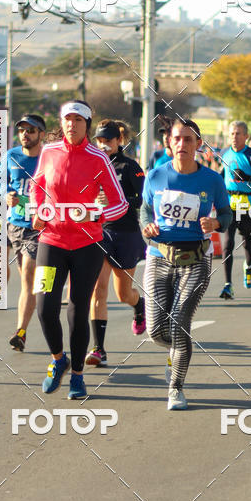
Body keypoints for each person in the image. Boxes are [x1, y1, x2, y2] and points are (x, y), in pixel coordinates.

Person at [30, 100, 128, 400]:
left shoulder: (98, 158)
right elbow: (37, 185)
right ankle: (59, 359)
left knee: (77, 309)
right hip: (52, 240)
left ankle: (77, 377)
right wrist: (36, 210)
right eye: (67, 119)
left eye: (78, 119)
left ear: (87, 124)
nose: (71, 124)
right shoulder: (49, 152)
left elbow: (120, 204)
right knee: (44, 307)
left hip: (87, 244)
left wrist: (95, 215)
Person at [141, 118, 232, 410]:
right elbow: (144, 211)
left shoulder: (212, 179)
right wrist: (147, 227)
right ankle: (177, 351)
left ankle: (175, 388)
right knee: (155, 330)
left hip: (195, 259)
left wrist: (216, 221)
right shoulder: (155, 176)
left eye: (188, 140)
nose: (182, 144)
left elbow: (228, 215)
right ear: (169, 141)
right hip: (158, 257)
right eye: (177, 138)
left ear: (198, 145)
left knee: (180, 323)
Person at [86, 119, 147, 367]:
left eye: (108, 141)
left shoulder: (130, 166)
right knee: (98, 289)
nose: (103, 145)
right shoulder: (91, 165)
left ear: (119, 141)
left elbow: (142, 199)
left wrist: (116, 199)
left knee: (123, 294)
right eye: (99, 141)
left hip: (126, 232)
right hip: (99, 232)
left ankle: (139, 304)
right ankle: (98, 348)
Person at [6, 113, 47, 351]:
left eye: (31, 130)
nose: (25, 134)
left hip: (38, 226)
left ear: (41, 134)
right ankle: (42, 297)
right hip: (15, 225)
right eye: (22, 130)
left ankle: (20, 331)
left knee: (28, 275)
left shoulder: (48, 158)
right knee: (27, 281)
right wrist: (6, 193)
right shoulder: (11, 156)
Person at [219, 120, 251, 298]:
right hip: (229, 202)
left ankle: (248, 266)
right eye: (232, 133)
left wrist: (247, 177)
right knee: (228, 244)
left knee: (247, 241)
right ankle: (228, 285)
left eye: (238, 133)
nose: (234, 137)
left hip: (249, 202)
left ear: (246, 136)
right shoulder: (225, 154)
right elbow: (221, 176)